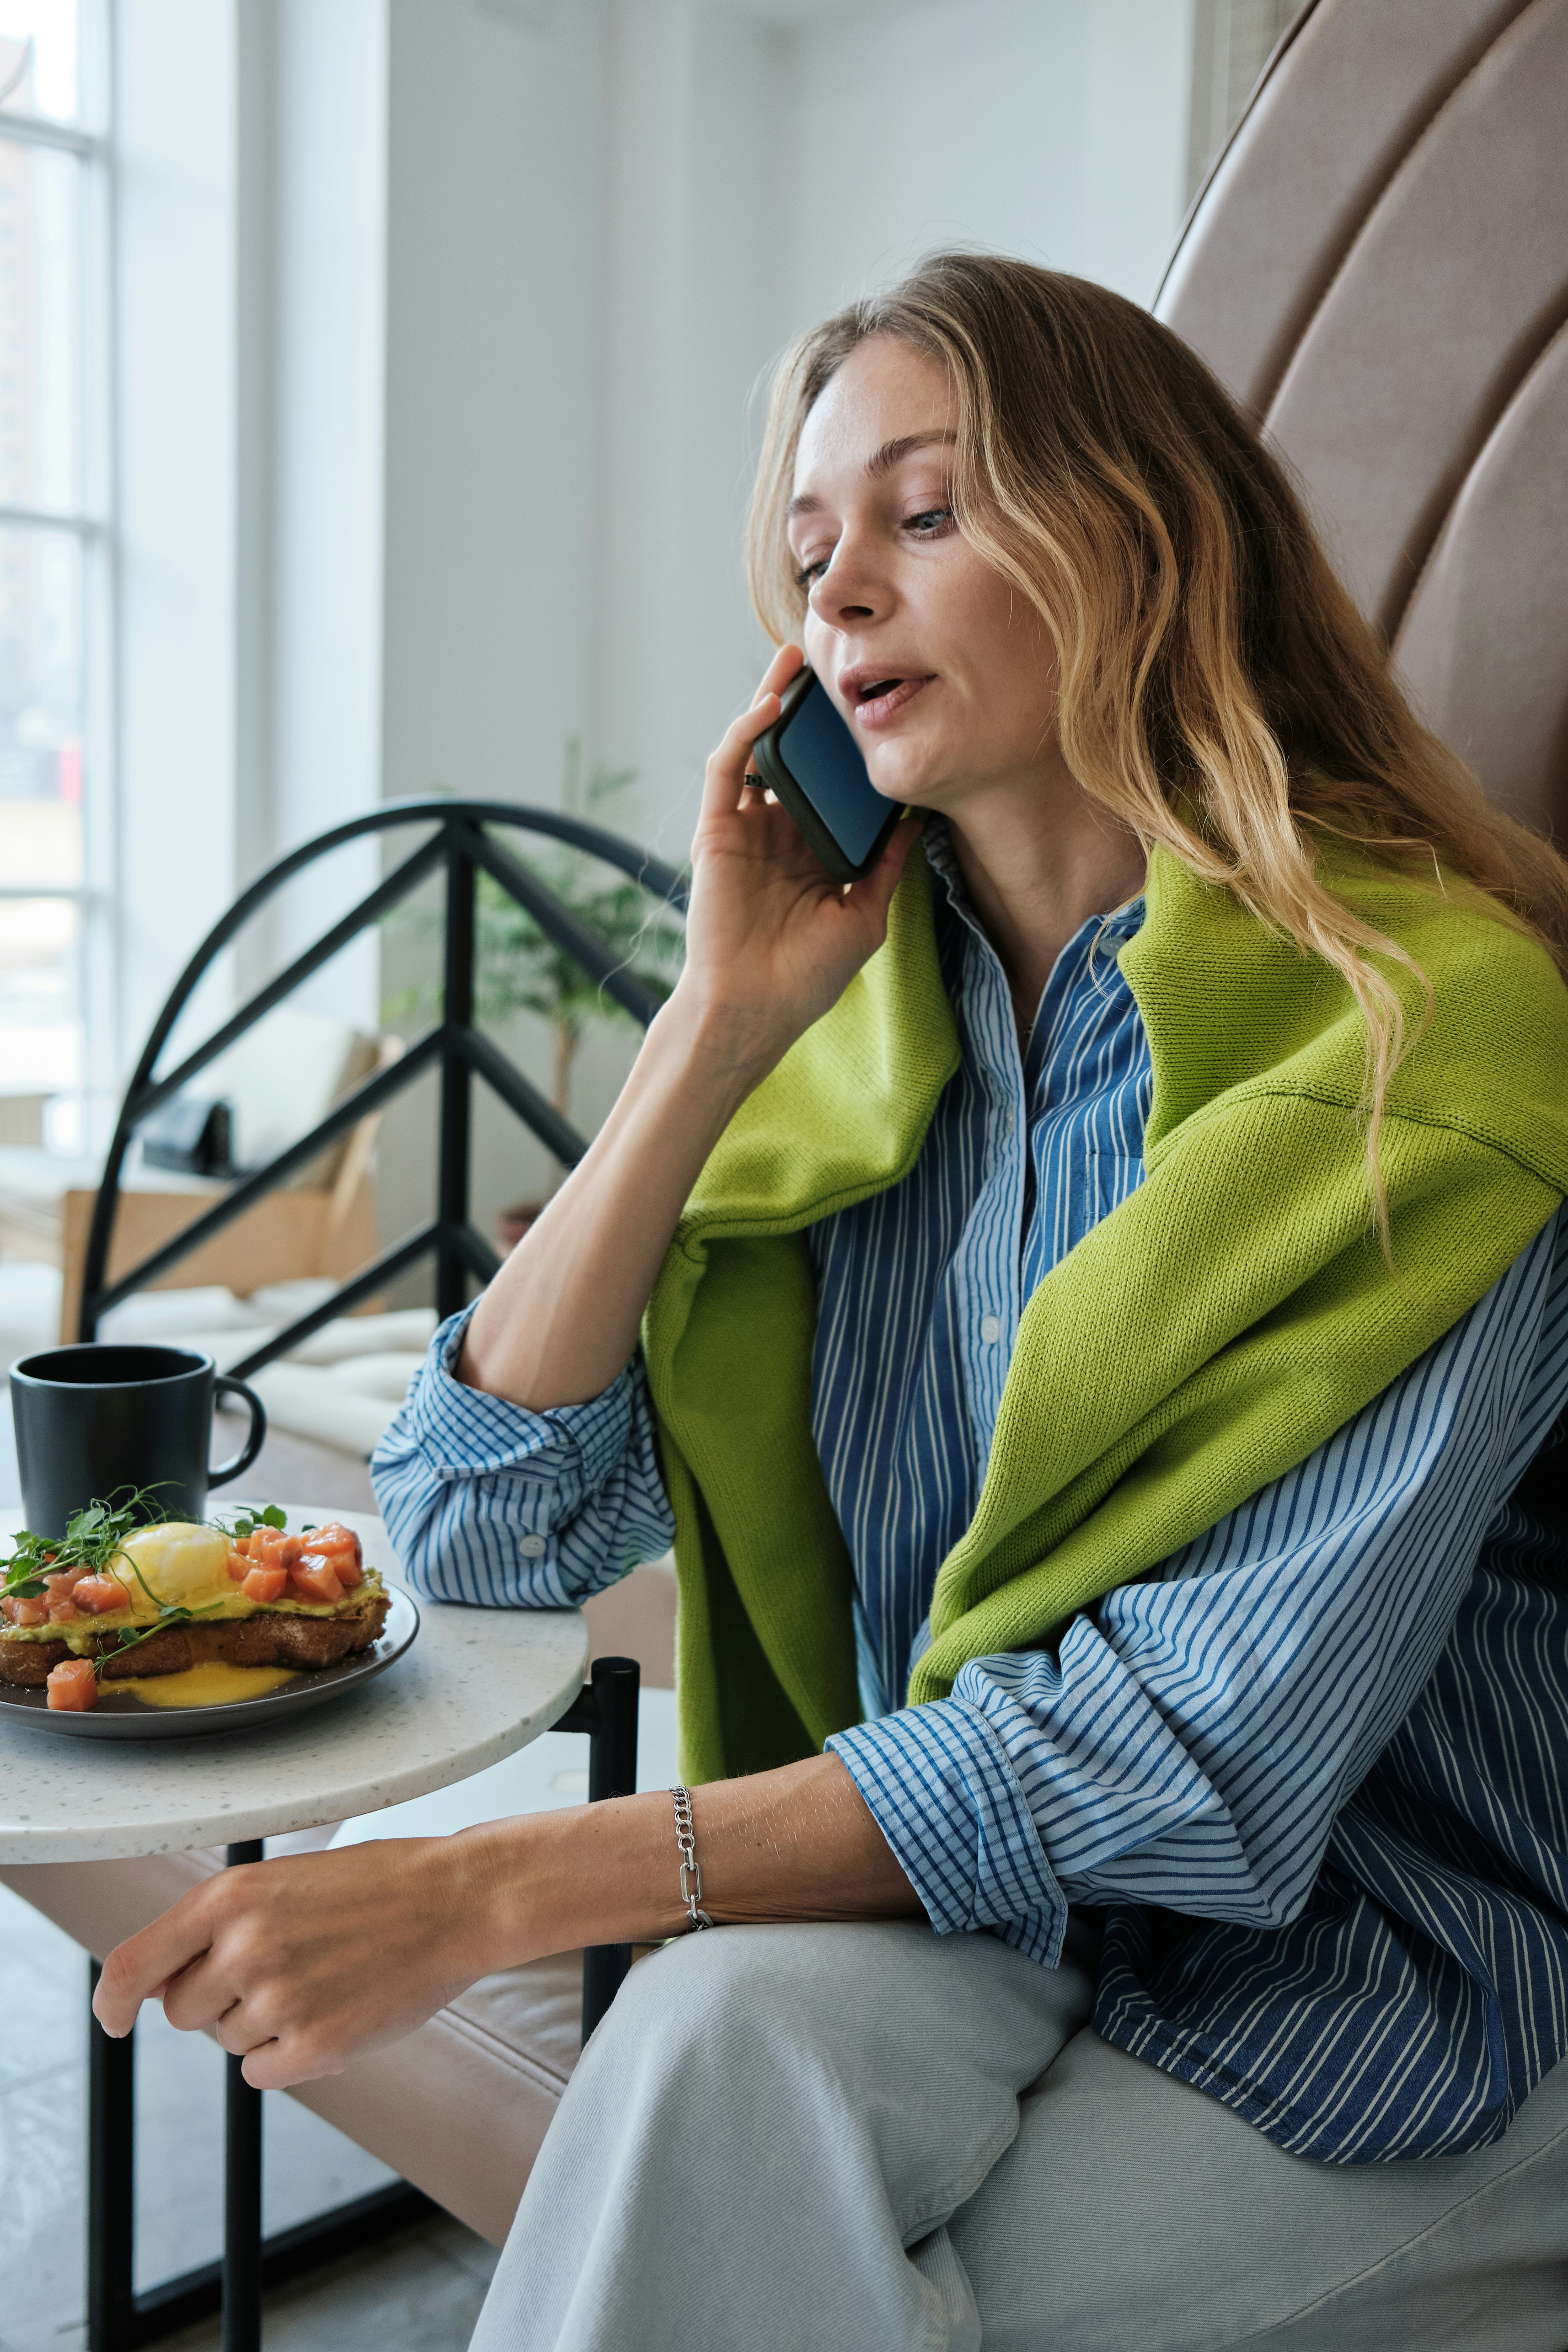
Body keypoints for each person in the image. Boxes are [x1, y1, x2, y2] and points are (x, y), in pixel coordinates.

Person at [97, 255, 1568, 2350]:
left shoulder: (1427, 1050)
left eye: (926, 511)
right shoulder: (846, 1049)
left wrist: (490, 1883)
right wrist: (712, 1018)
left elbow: (1204, 1763)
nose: (839, 593)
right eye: (807, 548)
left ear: (1142, 541)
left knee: (743, 2265)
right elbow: (482, 1523)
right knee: (708, 2043)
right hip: (977, 1912)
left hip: (1382, 1981)